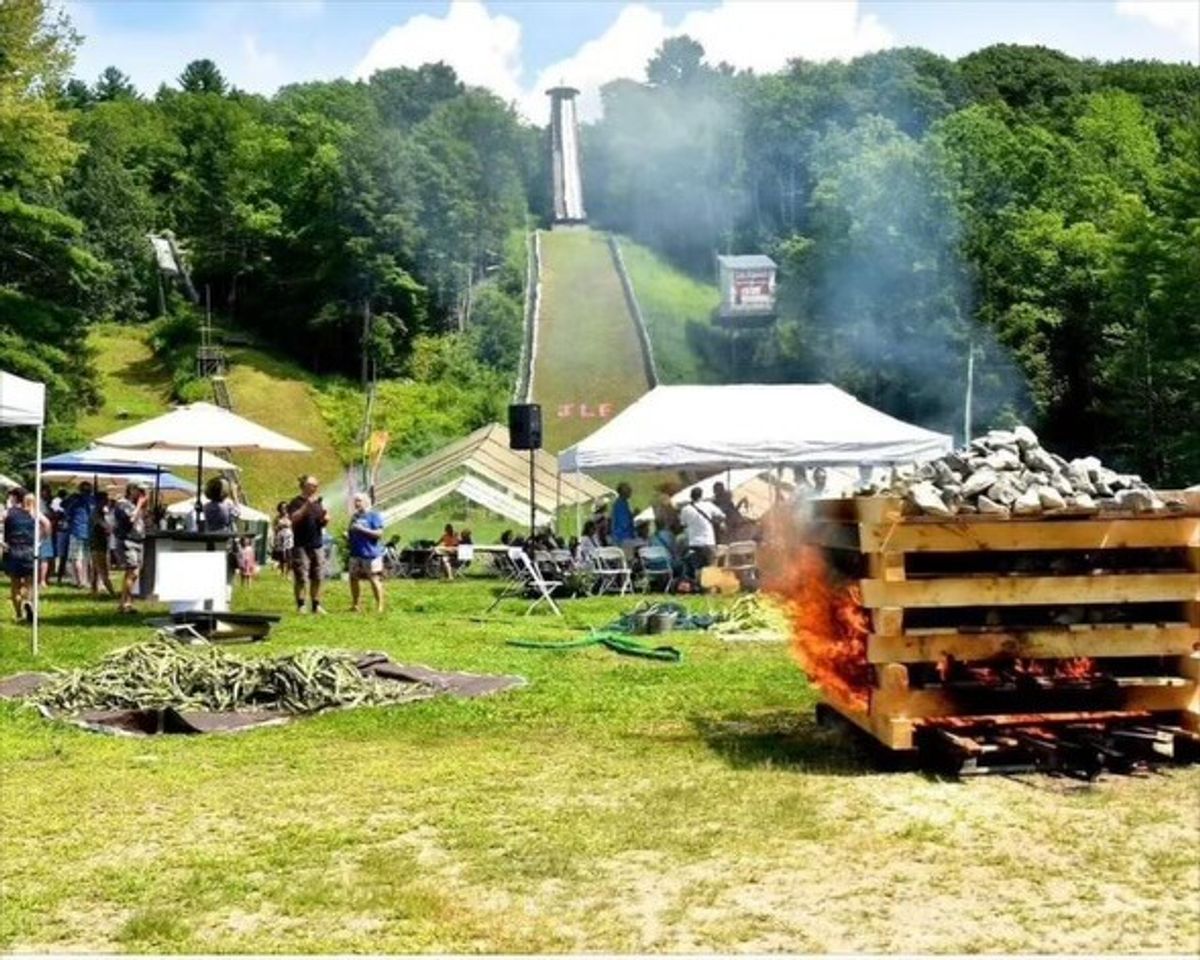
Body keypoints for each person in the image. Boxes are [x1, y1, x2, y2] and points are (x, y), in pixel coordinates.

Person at [287, 475, 329, 614]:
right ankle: (301, 605)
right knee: (301, 576)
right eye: (313, 485)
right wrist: (307, 505)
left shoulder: (318, 502)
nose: (316, 487)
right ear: (305, 486)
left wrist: (325, 519)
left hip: (317, 544)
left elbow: (320, 522)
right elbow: (294, 518)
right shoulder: (296, 502)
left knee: (318, 576)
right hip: (301, 545)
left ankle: (316, 605)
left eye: (317, 485)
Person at [3, 488, 46, 623]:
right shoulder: (33, 512)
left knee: (15, 585)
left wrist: (1, 543)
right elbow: (47, 524)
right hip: (29, 549)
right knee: (30, 583)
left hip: (13, 550)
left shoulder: (8, 512)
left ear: (15, 498)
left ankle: (19, 614)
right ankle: (28, 601)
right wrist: (40, 541)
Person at [112, 482, 147, 614]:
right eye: (139, 490)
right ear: (131, 489)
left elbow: (141, 520)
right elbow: (131, 519)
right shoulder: (122, 503)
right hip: (128, 540)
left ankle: (125, 602)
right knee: (132, 571)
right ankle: (125, 603)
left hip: (137, 540)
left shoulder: (133, 505)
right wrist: (139, 504)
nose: (141, 493)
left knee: (135, 573)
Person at [347, 492, 385, 613]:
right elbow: (351, 531)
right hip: (355, 553)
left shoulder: (374, 515)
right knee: (353, 578)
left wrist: (362, 529)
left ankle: (379, 606)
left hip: (370, 554)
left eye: (359, 501)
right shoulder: (355, 517)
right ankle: (355, 605)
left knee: (373, 578)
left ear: (366, 501)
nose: (356, 503)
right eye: (355, 501)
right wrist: (348, 535)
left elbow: (379, 534)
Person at [679, 486, 725, 581]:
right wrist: (716, 522)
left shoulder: (685, 509)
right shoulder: (708, 505)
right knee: (711, 565)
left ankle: (699, 586)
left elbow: (683, 524)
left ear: (691, 496)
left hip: (694, 542)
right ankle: (711, 586)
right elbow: (722, 516)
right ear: (701, 495)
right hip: (708, 540)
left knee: (697, 567)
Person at [62, 481, 95, 587]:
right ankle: (88, 580)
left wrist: (72, 496)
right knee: (87, 557)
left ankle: (80, 581)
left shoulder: (75, 500)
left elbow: (63, 505)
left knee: (76, 557)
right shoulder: (92, 500)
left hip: (77, 530)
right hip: (89, 531)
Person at [89, 492, 115, 597]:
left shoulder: (98, 512)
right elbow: (105, 527)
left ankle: (93, 590)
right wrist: (112, 528)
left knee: (96, 569)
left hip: (98, 543)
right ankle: (112, 592)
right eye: (106, 499)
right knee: (103, 569)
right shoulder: (96, 513)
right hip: (98, 544)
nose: (107, 501)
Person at [610, 482, 636, 549]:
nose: (631, 491)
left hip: (624, 536)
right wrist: (632, 516)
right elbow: (623, 523)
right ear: (623, 492)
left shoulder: (624, 503)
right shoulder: (620, 504)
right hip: (623, 537)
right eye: (629, 490)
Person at [272, 501, 293, 576]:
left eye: (285, 507)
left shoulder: (290, 516)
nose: (284, 509)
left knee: (289, 555)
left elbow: (294, 527)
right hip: (280, 538)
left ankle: (288, 572)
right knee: (282, 556)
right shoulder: (277, 518)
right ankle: (282, 572)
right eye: (282, 508)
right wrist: (279, 527)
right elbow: (274, 528)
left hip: (289, 538)